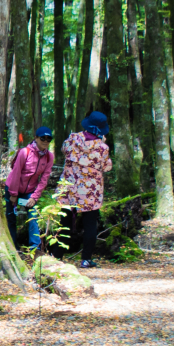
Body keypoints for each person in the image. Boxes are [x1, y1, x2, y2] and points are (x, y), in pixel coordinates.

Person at [58, 112, 112, 269]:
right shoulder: (103, 148)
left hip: (70, 188)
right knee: (90, 224)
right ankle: (86, 259)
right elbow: (106, 166)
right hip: (90, 192)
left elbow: (63, 150)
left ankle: (57, 256)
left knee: (65, 222)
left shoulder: (72, 139)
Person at [4, 127, 54, 249]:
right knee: (11, 217)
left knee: (33, 216)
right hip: (12, 188)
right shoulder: (24, 152)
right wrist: (14, 194)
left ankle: (35, 248)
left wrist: (34, 197)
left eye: (49, 139)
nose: (45, 141)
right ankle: (12, 246)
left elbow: (44, 179)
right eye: (42, 138)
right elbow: (16, 172)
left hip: (29, 191)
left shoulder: (49, 157)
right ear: (36, 138)